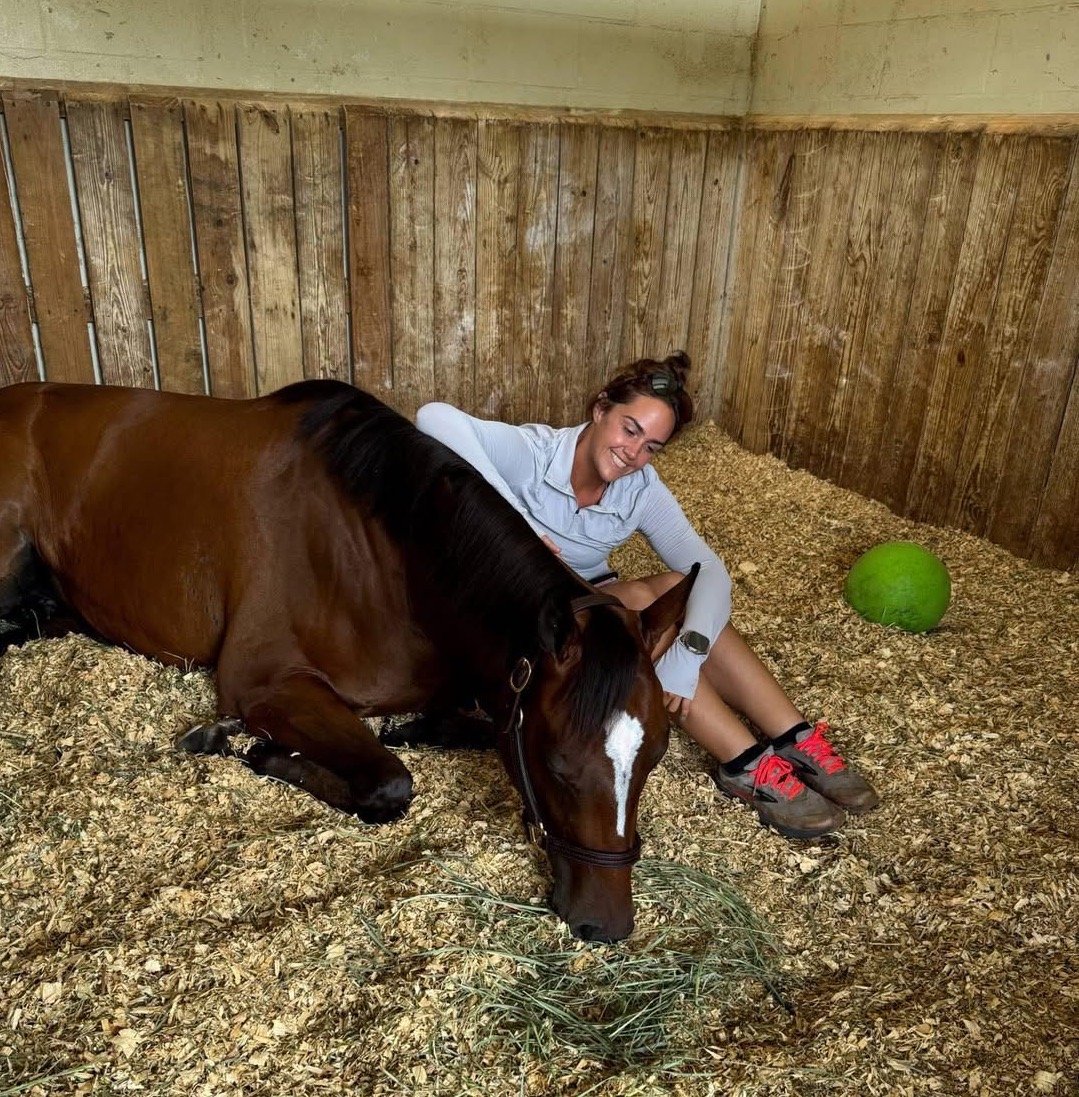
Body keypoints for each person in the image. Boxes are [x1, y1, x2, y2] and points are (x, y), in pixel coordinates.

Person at [415, 352, 878, 838]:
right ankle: (746, 759)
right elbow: (434, 417)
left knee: (682, 592)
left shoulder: (638, 488)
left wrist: (690, 653)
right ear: (600, 410)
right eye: (629, 430)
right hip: (515, 625)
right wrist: (520, 526)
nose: (633, 453)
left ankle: (793, 738)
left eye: (651, 446)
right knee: (641, 605)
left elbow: (710, 571)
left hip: (583, 606)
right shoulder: (535, 452)